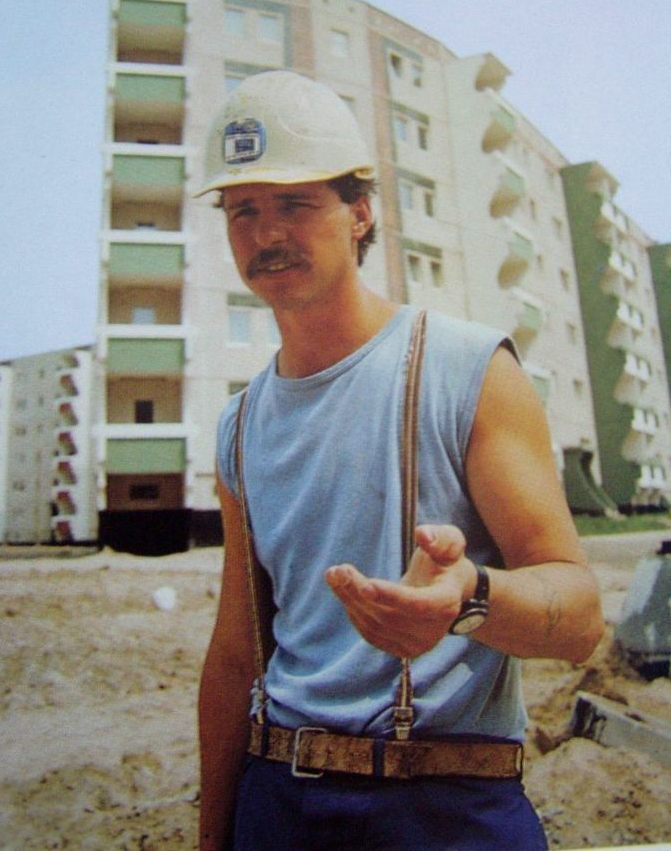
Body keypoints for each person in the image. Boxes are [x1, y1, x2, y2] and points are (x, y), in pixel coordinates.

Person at [196, 70, 603, 850]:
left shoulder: (466, 368)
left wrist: (469, 596)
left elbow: (580, 616)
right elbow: (237, 650)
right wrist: (215, 836)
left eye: (295, 203)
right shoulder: (240, 424)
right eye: (243, 209)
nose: (266, 233)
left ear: (360, 213)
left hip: (447, 806)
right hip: (278, 802)